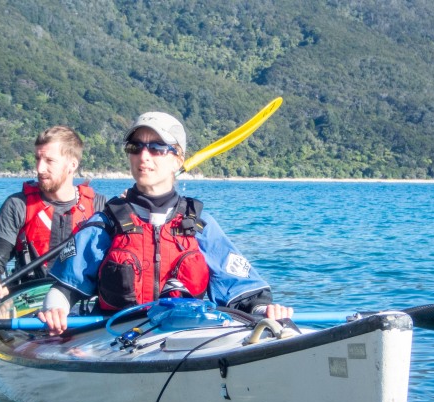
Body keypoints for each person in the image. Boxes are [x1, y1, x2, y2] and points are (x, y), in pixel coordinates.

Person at [38, 112, 293, 334]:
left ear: (177, 159)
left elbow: (245, 292)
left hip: (184, 339)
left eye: (157, 148)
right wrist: (55, 310)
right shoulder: (106, 224)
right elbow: (64, 290)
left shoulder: (199, 226)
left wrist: (264, 309)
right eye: (135, 147)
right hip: (115, 339)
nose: (143, 156)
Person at [0, 125, 107, 302]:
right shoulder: (18, 205)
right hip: (29, 300)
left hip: (81, 301)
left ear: (72, 165)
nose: (39, 168)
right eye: (37, 159)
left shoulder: (99, 206)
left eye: (49, 161)